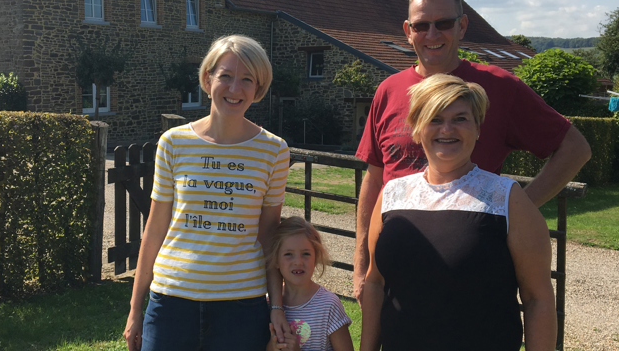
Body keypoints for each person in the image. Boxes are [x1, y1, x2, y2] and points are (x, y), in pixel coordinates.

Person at [352, 0, 591, 303]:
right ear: (408, 32)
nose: (432, 35)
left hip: (470, 269)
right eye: (422, 26)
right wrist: (361, 262)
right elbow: (375, 177)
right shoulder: (389, 90)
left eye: (444, 23)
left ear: (462, 26)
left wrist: (517, 209)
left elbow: (575, 148)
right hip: (398, 265)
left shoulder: (499, 86)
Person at [360, 74, 557, 351]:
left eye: (460, 118)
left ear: (478, 128)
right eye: (435, 119)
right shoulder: (393, 194)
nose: (447, 129)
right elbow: (375, 283)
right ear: (417, 128)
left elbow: (538, 299)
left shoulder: (506, 199)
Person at [123, 34, 292, 351]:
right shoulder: (173, 142)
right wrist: (135, 309)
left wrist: (277, 305)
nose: (234, 89)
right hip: (171, 301)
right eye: (225, 76)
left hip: (241, 306)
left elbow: (269, 235)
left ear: (259, 88)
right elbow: (155, 228)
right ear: (207, 77)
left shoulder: (274, 151)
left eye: (247, 80)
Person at [265, 217, 355, 351]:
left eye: (306, 254)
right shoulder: (269, 304)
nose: (298, 262)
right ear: (276, 260)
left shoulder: (329, 305)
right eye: (288, 254)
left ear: (316, 256)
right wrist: (272, 347)